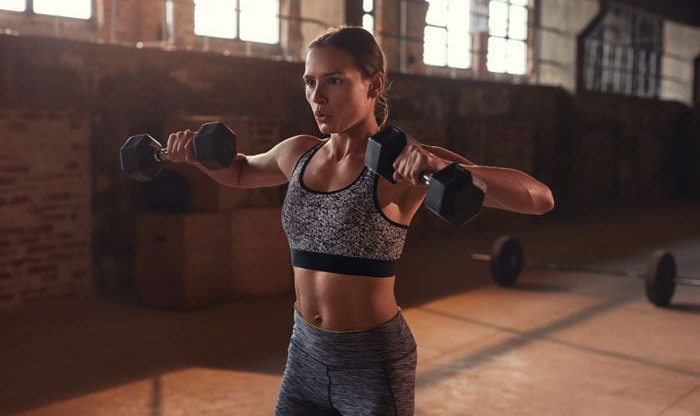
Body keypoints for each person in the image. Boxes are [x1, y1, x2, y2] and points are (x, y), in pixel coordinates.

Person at [165, 25, 554, 415]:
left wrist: (442, 166)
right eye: (310, 82)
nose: (318, 97)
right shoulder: (298, 153)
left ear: (373, 85)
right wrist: (198, 157)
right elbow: (239, 172)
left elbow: (540, 199)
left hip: (372, 363)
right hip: (305, 353)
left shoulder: (405, 164)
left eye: (334, 81)